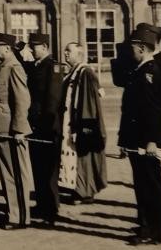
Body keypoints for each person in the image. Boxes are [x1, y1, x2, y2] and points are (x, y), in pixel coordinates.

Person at [118, 25, 161, 246]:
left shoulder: (150, 71)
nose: (130, 51)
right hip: (137, 136)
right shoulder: (143, 68)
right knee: (146, 182)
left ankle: (151, 230)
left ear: (141, 48)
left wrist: (151, 139)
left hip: (145, 138)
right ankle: (154, 224)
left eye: (132, 47)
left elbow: (155, 109)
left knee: (148, 184)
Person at [0, 32, 32, 230]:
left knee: (16, 173)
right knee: (7, 172)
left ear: (7, 48)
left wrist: (20, 129)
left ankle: (20, 216)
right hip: (1, 127)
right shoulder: (2, 66)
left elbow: (22, 100)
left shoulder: (14, 67)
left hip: (11, 129)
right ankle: (12, 212)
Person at [58, 42, 107, 204]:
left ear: (79, 54)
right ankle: (76, 188)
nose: (65, 53)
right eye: (65, 50)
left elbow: (89, 101)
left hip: (82, 121)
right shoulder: (73, 72)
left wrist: (82, 126)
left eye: (68, 51)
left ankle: (84, 191)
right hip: (68, 120)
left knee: (83, 155)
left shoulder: (85, 73)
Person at [25, 33, 61, 226]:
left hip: (47, 126)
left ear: (45, 47)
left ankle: (51, 211)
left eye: (35, 46)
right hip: (36, 125)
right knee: (38, 167)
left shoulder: (53, 67)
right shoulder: (37, 65)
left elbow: (52, 100)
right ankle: (41, 204)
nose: (32, 49)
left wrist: (46, 125)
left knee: (48, 171)